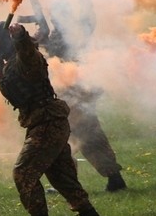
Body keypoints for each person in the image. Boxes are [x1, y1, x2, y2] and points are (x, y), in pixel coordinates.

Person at [0, 22, 112, 216]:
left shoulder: (28, 57)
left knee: (23, 173)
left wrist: (21, 36)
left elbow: (27, 55)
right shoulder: (12, 64)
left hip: (47, 123)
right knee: (63, 179)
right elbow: (16, 94)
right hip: (43, 123)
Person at [39, 24, 127, 192]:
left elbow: (56, 57)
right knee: (91, 141)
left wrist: (42, 41)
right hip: (78, 101)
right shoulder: (72, 38)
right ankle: (115, 179)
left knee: (67, 146)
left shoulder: (62, 42)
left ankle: (68, 185)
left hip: (73, 101)